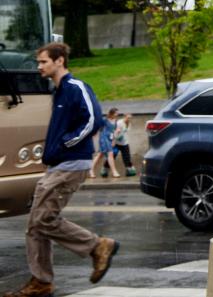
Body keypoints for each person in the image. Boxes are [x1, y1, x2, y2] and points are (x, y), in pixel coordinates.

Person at [4, 43, 119, 297]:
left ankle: (98, 245)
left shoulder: (76, 87)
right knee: (36, 224)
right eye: (38, 62)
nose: (39, 67)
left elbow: (94, 120)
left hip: (71, 164)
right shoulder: (58, 93)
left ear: (59, 61)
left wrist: (66, 144)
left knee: (42, 219)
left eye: (43, 62)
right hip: (58, 164)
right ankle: (41, 282)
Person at [91, 108, 120, 180]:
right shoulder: (105, 120)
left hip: (110, 139)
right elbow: (98, 127)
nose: (117, 114)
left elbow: (114, 132)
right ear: (112, 113)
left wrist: (113, 140)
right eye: (116, 113)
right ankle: (114, 171)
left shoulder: (116, 121)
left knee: (100, 155)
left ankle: (90, 170)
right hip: (104, 138)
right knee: (110, 153)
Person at [111, 112, 137, 177]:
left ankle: (129, 171)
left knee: (127, 157)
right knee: (113, 155)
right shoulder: (119, 122)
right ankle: (105, 169)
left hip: (125, 143)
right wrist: (114, 139)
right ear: (125, 116)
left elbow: (126, 132)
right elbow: (114, 131)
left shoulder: (129, 124)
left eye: (130, 118)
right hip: (117, 143)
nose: (128, 119)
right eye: (128, 118)